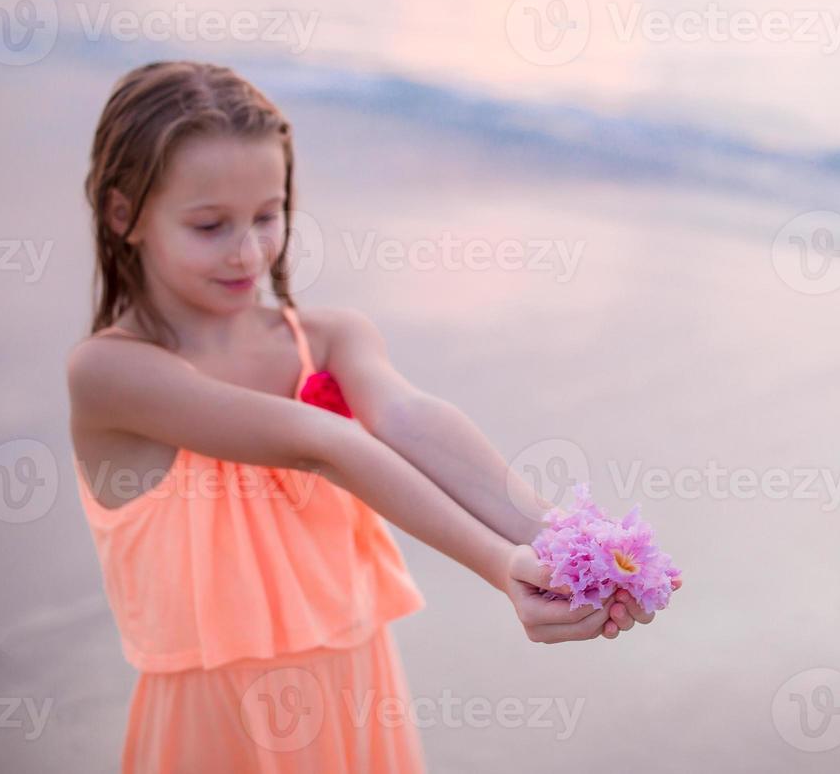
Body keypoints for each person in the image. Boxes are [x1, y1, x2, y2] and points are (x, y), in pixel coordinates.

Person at [66, 61, 679, 771]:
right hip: (218, 718)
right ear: (122, 215)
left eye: (268, 216)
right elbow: (318, 443)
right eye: (210, 225)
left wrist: (568, 539)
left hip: (356, 686)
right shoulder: (111, 373)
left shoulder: (329, 338)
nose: (249, 251)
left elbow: (409, 419)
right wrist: (500, 563)